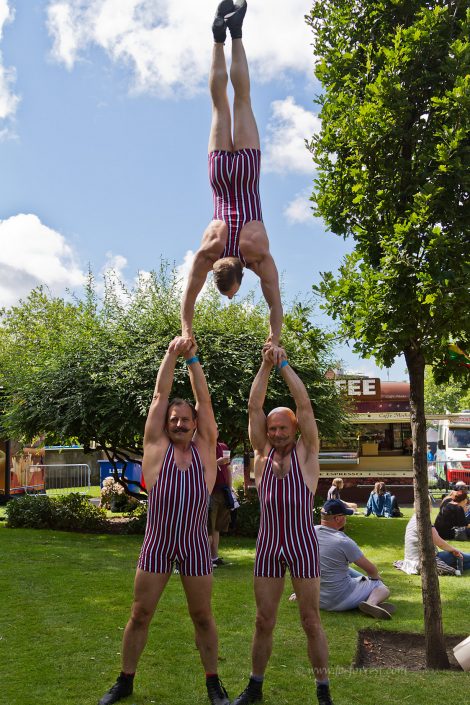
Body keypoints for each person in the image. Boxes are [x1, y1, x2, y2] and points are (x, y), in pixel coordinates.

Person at [98, 341, 230, 705]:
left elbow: (206, 404)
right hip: (156, 543)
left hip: (194, 546)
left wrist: (193, 360)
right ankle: (125, 681)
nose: (180, 423)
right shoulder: (156, 448)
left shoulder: (205, 450)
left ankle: (213, 683)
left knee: (202, 615)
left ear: (195, 424)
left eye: (186, 419)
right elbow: (160, 396)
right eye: (174, 419)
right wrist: (172, 355)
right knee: (140, 614)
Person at [173, 1, 283, 363]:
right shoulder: (209, 250)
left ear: (240, 273)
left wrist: (274, 338)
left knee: (242, 99)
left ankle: (236, 32)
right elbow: (189, 295)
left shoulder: (258, 255)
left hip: (247, 171)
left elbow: (274, 302)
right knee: (221, 104)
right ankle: (219, 37)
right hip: (220, 172)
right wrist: (185, 327)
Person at [232, 348, 334, 705]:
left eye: (282, 427)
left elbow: (304, 406)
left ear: (294, 429)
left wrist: (284, 365)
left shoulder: (308, 454)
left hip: (303, 544)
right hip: (269, 546)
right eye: (272, 428)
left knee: (310, 620)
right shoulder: (261, 455)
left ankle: (323, 691)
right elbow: (253, 407)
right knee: (264, 620)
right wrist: (264, 363)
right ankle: (255, 687)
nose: (275, 433)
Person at [316, 499, 394, 619]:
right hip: (338, 600)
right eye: (345, 515)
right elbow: (371, 570)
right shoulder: (343, 541)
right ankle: (371, 603)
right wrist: (374, 578)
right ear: (338, 518)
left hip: (318, 599)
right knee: (381, 586)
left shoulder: (309, 533)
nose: (346, 518)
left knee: (344, 569)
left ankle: (367, 597)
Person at [395, 499, 470, 574]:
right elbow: (440, 543)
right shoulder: (424, 522)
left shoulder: (414, 519)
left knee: (465, 562)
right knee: (458, 555)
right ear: (429, 506)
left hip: (412, 560)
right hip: (425, 560)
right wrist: (454, 550)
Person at [209, 437, 233, 567]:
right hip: (210, 491)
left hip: (223, 491)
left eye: (217, 429)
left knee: (217, 527)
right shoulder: (204, 447)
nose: (215, 431)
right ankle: (205, 559)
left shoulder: (223, 446)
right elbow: (200, 468)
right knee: (209, 528)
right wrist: (216, 463)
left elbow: (228, 469)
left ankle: (214, 558)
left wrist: (230, 489)